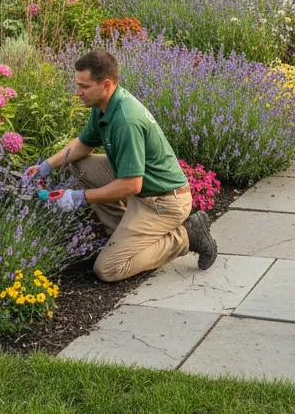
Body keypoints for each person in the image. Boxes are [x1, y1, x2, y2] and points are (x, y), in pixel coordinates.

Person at [26, 49, 217, 281]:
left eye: (84, 86)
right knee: (79, 164)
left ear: (106, 85)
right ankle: (121, 233)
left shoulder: (126, 121)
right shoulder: (105, 105)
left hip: (162, 202)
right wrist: (45, 167)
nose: (77, 92)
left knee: (108, 269)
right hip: (144, 188)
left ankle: (187, 235)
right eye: (78, 85)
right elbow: (82, 146)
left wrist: (79, 197)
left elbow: (131, 186)